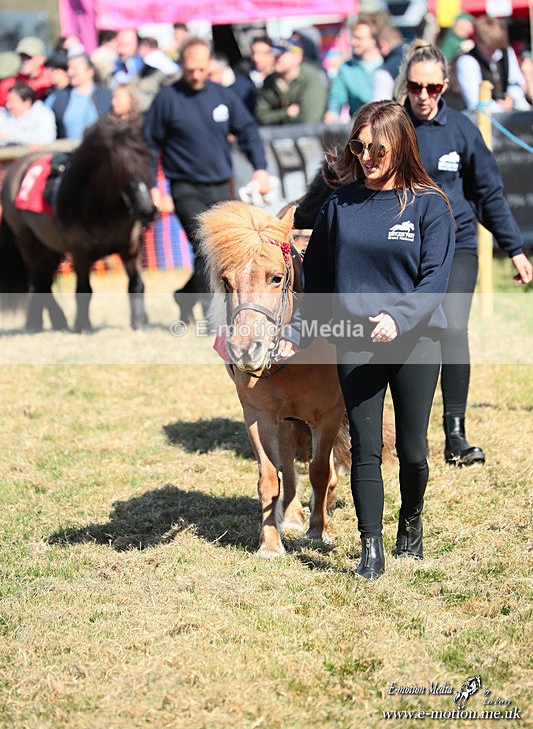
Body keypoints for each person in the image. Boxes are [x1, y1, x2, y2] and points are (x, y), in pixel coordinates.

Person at [296, 100, 455, 579]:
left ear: (400, 146)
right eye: (359, 147)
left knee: (412, 449)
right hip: (357, 341)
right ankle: (371, 546)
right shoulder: (339, 204)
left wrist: (399, 319)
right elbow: (317, 279)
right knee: (365, 444)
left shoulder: (430, 204)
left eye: (376, 148)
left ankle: (411, 522)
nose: (366, 156)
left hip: (417, 340)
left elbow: (434, 282)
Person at [395, 40, 532, 465]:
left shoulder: (462, 131)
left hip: (457, 245)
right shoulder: (390, 125)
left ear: (446, 86)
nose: (423, 96)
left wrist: (516, 250)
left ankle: (455, 434)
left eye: (433, 88)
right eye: (416, 86)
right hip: (402, 248)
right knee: (402, 336)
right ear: (407, 84)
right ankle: (399, 437)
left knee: (451, 329)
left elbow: (489, 194)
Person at [143, 37, 271, 321]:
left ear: (209, 64)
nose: (197, 75)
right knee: (204, 246)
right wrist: (153, 184)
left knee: (220, 251)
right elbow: (149, 144)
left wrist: (259, 167)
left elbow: (248, 130)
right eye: (191, 70)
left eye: (202, 69)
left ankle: (185, 295)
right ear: (182, 65)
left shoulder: (221, 95)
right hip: (185, 186)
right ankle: (212, 316)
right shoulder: (167, 99)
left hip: (220, 185)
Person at [455, 16, 529, 112]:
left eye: (496, 46)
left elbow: (516, 82)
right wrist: (501, 108)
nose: (494, 51)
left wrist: (512, 97)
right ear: (478, 41)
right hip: (481, 118)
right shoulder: (467, 61)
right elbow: (474, 102)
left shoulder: (506, 52)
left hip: (510, 111)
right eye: (490, 47)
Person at [255, 38, 328, 125]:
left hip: (310, 136)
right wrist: (286, 113)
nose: (276, 58)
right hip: (277, 136)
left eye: (281, 55)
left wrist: (277, 120)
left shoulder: (310, 78)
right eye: (275, 55)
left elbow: (309, 120)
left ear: (297, 57)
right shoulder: (270, 81)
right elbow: (262, 117)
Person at [324, 18, 382, 123]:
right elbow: (335, 103)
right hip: (360, 127)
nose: (353, 42)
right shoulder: (346, 69)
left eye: (359, 38)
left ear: (373, 40)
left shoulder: (387, 65)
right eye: (353, 37)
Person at [48, 52, 112, 139]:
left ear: (90, 71)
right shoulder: (58, 97)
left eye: (74, 68)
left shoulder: (107, 96)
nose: (70, 72)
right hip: (66, 150)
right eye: (68, 68)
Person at [0, 36, 54, 107]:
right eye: (22, 56)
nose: (24, 61)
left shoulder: (52, 80)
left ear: (42, 58)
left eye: (29, 57)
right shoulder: (9, 84)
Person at [0, 82, 57, 147]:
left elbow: (46, 139)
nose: (8, 105)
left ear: (27, 102)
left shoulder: (44, 114)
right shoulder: (3, 114)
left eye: (13, 101)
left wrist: (11, 136)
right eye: (8, 101)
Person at [372, 25, 406, 100]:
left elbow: (380, 107)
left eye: (377, 47)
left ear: (382, 44)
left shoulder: (384, 72)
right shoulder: (420, 53)